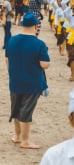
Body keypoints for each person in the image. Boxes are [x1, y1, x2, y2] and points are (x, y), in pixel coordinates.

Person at [6, 12, 50, 149]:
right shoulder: (39, 43)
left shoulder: (11, 40)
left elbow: (7, 60)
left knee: (16, 108)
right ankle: (25, 141)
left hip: (15, 80)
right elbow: (45, 64)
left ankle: (17, 136)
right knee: (26, 111)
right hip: (32, 82)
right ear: (36, 25)